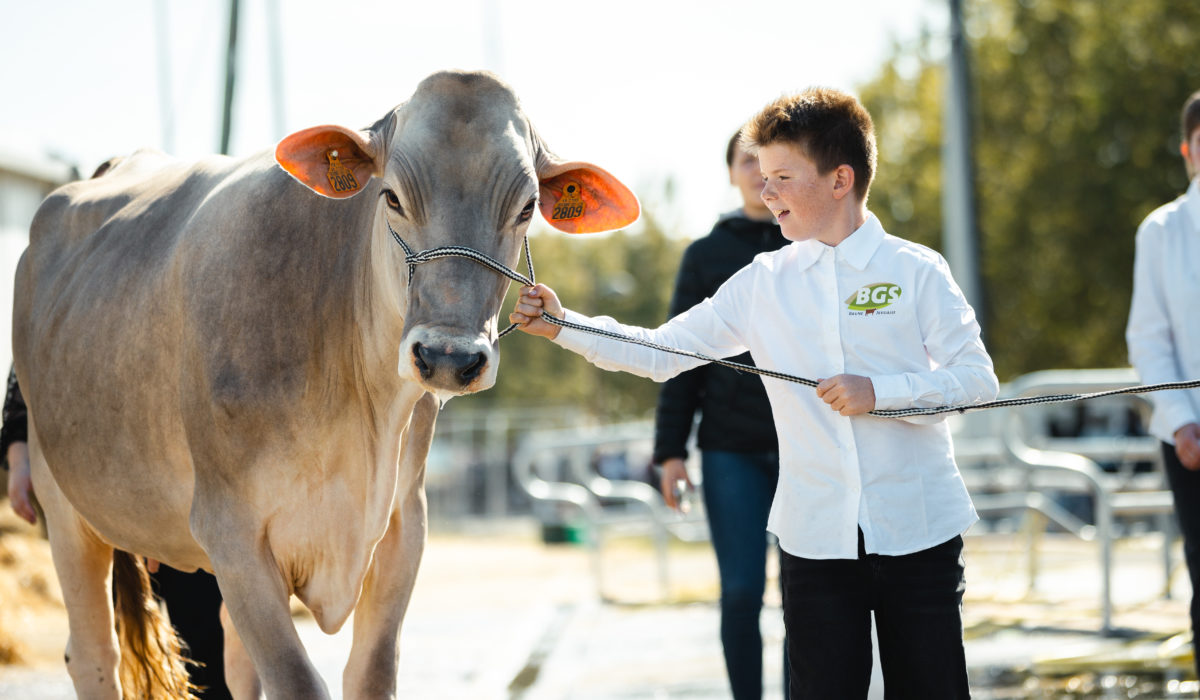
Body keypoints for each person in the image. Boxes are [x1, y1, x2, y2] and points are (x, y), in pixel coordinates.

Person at [510, 87, 998, 698]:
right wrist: (565, 325)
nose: (765, 193)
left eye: (782, 177)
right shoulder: (762, 283)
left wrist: (882, 393)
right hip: (814, 542)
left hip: (921, 532)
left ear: (841, 179)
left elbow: (977, 381)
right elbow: (663, 353)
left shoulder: (918, 270)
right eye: (761, 177)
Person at [653, 129, 790, 700]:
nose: (759, 172)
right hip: (731, 451)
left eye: (770, 162)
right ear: (731, 172)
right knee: (740, 590)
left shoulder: (816, 246)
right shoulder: (705, 256)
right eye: (746, 160)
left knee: (815, 590)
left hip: (808, 444)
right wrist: (669, 452)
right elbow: (678, 357)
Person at [1, 366, 233, 699]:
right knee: (105, 656)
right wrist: (18, 451)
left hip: (181, 491)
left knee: (208, 654)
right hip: (88, 491)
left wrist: (156, 493)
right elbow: (31, 350)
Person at [1126, 89, 1200, 679]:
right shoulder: (1162, 231)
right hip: (1191, 439)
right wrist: (1180, 421)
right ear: (1187, 151)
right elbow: (1149, 339)